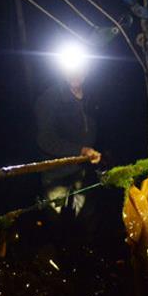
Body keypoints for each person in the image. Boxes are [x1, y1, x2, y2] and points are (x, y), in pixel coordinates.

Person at [34, 64, 101, 217]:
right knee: (55, 222)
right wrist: (80, 150)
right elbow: (45, 139)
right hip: (56, 172)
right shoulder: (49, 99)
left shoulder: (91, 96)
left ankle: (86, 239)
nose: (76, 73)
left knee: (87, 217)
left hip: (84, 169)